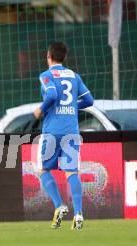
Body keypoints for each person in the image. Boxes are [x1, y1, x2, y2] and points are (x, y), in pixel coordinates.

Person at [33, 41, 93, 230]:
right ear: (64, 57)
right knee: (71, 172)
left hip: (52, 130)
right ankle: (78, 214)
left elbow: (51, 95)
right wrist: (72, 106)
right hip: (71, 130)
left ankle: (60, 205)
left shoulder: (46, 75)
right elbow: (89, 100)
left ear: (48, 56)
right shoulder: (74, 76)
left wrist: (40, 109)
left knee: (43, 170)